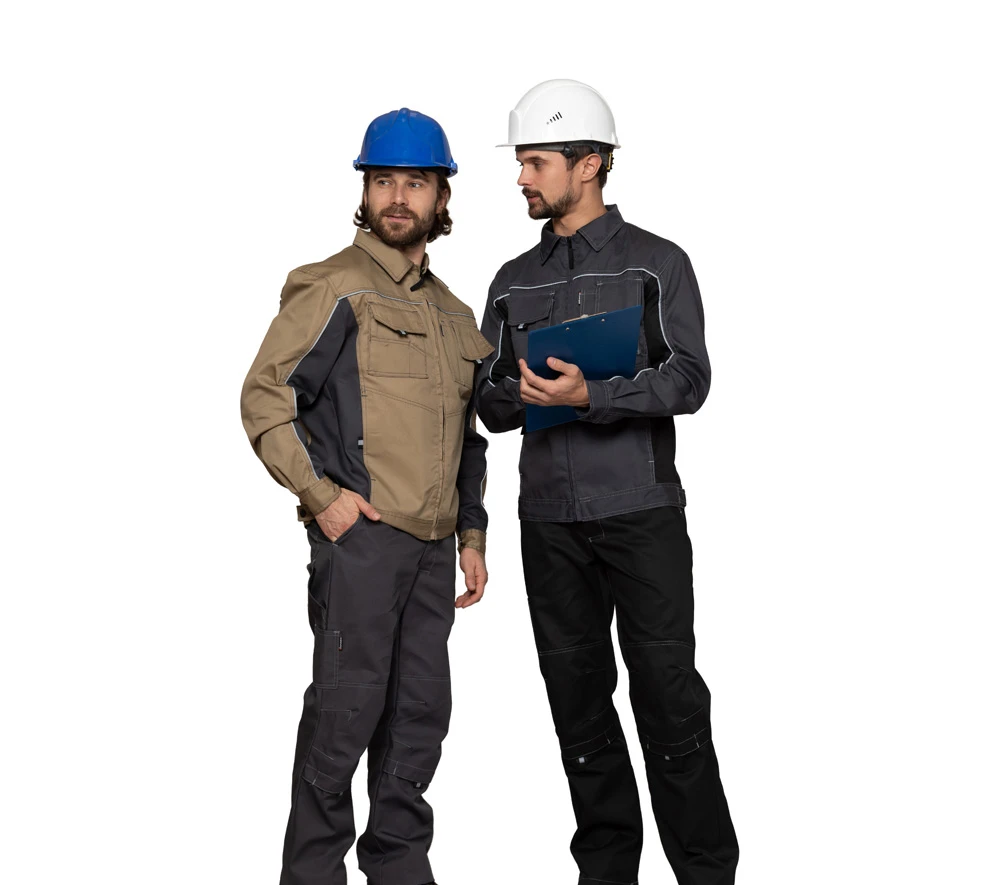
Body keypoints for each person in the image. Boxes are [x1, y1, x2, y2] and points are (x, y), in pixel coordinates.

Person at [475, 80, 739, 885]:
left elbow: (690, 378)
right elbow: (488, 404)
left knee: (669, 697)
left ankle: (705, 872)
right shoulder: (510, 280)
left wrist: (591, 393)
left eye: (535, 162)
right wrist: (518, 392)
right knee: (577, 702)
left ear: (587, 164)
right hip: (549, 521)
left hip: (640, 512)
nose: (522, 177)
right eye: (522, 162)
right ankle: (607, 872)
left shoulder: (658, 263)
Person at [241, 107, 494, 885]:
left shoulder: (455, 315)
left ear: (441, 197)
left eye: (415, 183)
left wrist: (472, 534)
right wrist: (322, 497)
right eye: (383, 180)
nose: (397, 196)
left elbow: (468, 438)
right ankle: (312, 873)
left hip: (432, 553)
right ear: (365, 190)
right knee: (344, 713)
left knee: (418, 718)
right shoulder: (335, 287)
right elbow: (265, 397)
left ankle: (399, 867)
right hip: (363, 544)